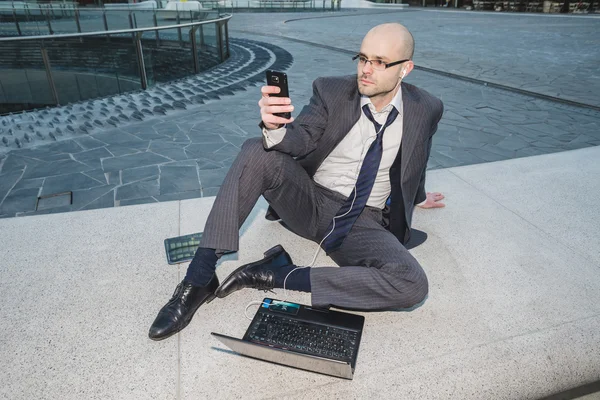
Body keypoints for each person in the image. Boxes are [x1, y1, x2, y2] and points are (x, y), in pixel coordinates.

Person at [149, 23, 445, 341]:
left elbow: (419, 155)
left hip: (365, 223)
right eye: (362, 58)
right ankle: (198, 278)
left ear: (406, 69)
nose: (366, 70)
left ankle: (278, 274)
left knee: (412, 283)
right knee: (256, 148)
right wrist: (275, 128)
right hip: (310, 201)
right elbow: (302, 138)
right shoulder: (331, 90)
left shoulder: (426, 108)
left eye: (380, 62)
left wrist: (418, 197)